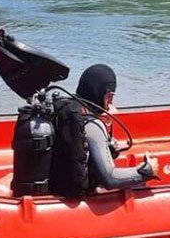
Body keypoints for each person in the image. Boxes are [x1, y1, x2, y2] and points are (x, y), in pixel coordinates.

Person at [48, 64, 157, 196]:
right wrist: (146, 171)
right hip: (75, 197)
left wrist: (109, 147)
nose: (111, 103)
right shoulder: (92, 123)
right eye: (110, 96)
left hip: (55, 185)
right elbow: (110, 178)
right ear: (99, 93)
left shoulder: (64, 109)